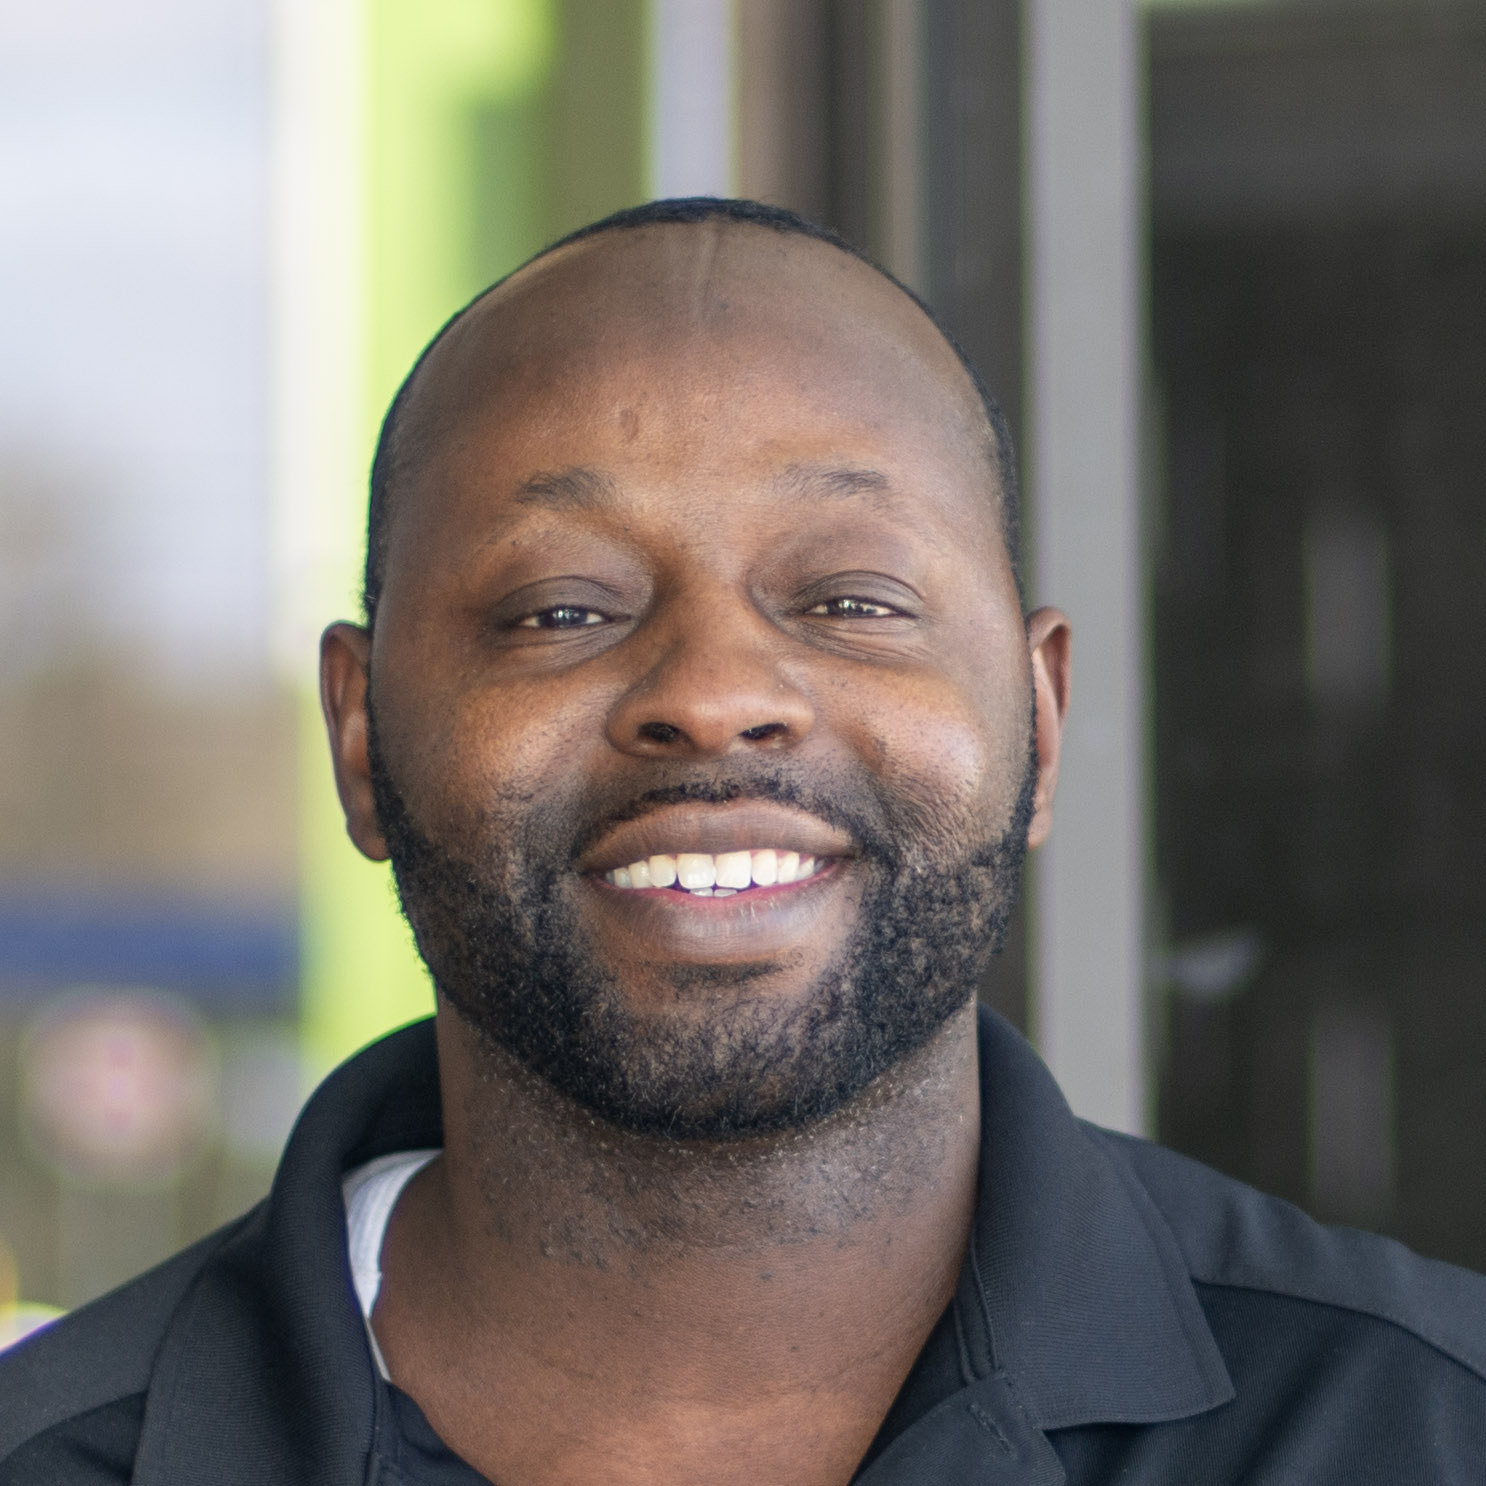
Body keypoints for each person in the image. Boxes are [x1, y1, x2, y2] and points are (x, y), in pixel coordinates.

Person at [3, 197, 1484, 1485]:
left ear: (1038, 715)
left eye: (849, 596)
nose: (713, 698)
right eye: (560, 610)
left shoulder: (1423, 1431)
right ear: (360, 738)